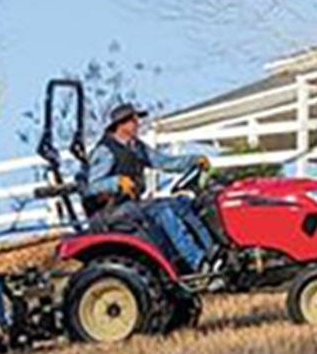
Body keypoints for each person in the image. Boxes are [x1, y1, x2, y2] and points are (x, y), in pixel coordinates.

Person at [83, 102, 217, 272]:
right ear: (121, 124)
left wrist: (193, 160)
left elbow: (163, 162)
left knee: (181, 203)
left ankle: (212, 252)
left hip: (132, 205)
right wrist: (116, 182)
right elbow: (91, 186)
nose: (137, 123)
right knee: (162, 211)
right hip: (112, 210)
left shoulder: (136, 146)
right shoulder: (106, 151)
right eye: (133, 120)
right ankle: (197, 263)